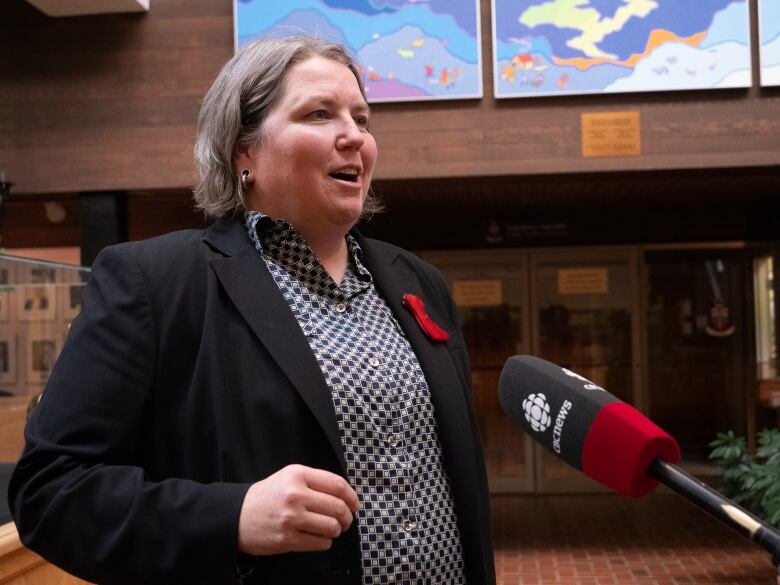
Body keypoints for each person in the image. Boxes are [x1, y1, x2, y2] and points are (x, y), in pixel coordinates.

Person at [8, 36, 495, 585]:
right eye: (319, 113)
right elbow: (52, 492)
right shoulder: (157, 283)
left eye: (362, 118)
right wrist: (232, 517)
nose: (354, 136)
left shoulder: (418, 284)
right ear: (244, 148)